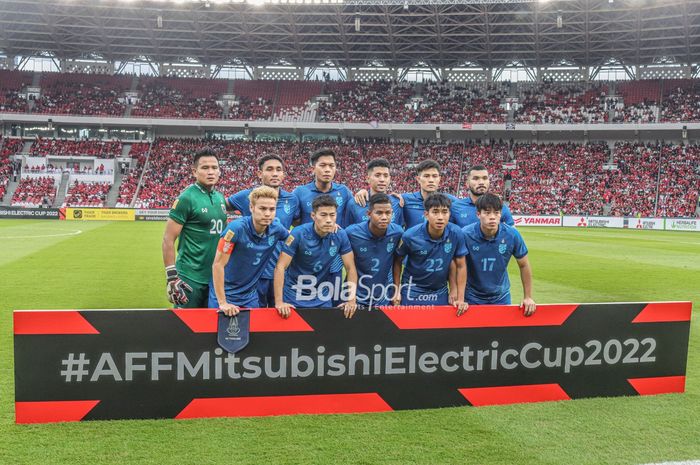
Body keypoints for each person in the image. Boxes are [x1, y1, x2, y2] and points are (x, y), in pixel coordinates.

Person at [226, 154, 300, 307]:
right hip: (252, 273)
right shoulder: (246, 196)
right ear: (259, 173)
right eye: (269, 169)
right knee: (255, 319)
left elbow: (300, 224)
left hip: (279, 271)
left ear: (284, 174)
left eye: (278, 170)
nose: (274, 173)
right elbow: (221, 206)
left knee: (279, 315)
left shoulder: (291, 199)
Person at [162, 148, 227, 308]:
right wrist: (171, 277)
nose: (211, 172)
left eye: (214, 167)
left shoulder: (220, 197)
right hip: (190, 276)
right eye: (205, 168)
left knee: (212, 328)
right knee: (185, 329)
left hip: (215, 276)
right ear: (194, 171)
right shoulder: (186, 198)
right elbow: (168, 239)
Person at [274, 194, 358, 318]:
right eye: (323, 215)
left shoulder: (340, 235)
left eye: (332, 215)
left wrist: (351, 300)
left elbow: (350, 267)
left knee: (324, 336)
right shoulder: (298, 234)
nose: (329, 220)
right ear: (313, 216)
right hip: (293, 296)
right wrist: (279, 302)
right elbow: (280, 267)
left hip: (322, 297)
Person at [210, 186, 290, 316]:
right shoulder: (235, 229)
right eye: (262, 208)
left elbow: (294, 237)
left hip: (250, 296)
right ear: (251, 208)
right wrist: (223, 302)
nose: (268, 213)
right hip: (224, 293)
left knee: (253, 334)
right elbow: (218, 265)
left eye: (272, 209)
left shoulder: (276, 228)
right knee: (221, 334)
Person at [293, 148, 353, 304]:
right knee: (303, 302)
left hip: (333, 258)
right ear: (313, 168)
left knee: (334, 303)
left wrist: (363, 192)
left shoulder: (344, 192)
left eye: (331, 166)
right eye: (323, 165)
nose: (327, 169)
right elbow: (294, 220)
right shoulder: (300, 192)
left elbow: (361, 210)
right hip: (306, 259)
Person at [392, 193, 468, 314]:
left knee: (438, 331)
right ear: (426, 214)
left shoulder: (456, 233)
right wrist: (396, 290)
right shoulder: (410, 236)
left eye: (444, 212)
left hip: (440, 291)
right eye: (435, 212)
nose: (440, 217)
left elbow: (460, 265)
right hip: (413, 290)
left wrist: (458, 295)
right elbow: (397, 261)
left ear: (450, 214)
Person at [461, 193, 535, 316]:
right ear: (478, 214)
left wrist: (528, 297)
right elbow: (457, 267)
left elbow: (524, 265)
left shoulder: (512, 235)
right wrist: (459, 296)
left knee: (501, 334)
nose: (492, 217)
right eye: (487, 213)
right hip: (472, 297)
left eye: (496, 213)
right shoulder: (465, 234)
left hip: (501, 296)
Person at [345, 193, 404, 308]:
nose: (384, 217)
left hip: (383, 296)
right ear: (369, 214)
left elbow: (397, 262)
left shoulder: (397, 233)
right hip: (355, 296)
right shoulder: (351, 233)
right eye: (379, 213)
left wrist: (397, 290)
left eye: (388, 213)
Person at [344, 158, 403, 226]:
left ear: (389, 179)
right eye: (377, 175)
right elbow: (347, 232)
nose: (382, 179)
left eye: (385, 176)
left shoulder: (398, 203)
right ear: (368, 179)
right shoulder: (354, 204)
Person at [401, 159, 458, 229]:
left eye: (434, 176)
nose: (431, 180)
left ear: (439, 178)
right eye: (426, 176)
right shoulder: (404, 199)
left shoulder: (452, 201)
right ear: (418, 179)